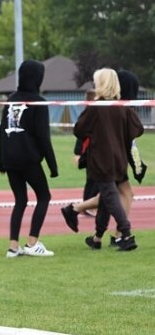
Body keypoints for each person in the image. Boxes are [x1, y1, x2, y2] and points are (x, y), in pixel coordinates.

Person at [61, 71, 143, 244]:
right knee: (108, 196)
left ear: (102, 84)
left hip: (101, 161)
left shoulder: (96, 108)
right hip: (119, 160)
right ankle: (97, 237)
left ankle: (125, 234)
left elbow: (79, 130)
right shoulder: (122, 107)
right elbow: (138, 129)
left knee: (110, 196)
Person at [0, 60, 58, 258]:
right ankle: (33, 242)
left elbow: (1, 131)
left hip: (10, 159)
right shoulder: (37, 102)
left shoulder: (11, 99)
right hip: (28, 159)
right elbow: (43, 137)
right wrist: (52, 165)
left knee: (20, 200)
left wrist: (0, 161)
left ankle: (13, 247)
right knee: (44, 196)